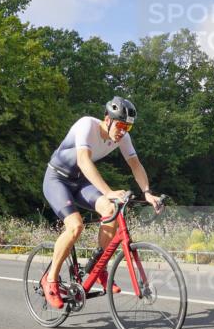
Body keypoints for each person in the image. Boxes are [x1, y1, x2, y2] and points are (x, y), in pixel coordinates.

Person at [40, 96, 161, 309]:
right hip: (57, 179)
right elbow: (83, 161)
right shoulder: (86, 125)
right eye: (120, 125)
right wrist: (108, 191)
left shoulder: (123, 137)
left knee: (111, 210)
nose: (123, 131)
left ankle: (98, 268)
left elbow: (135, 165)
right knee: (75, 226)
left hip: (79, 182)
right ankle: (50, 280)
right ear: (107, 119)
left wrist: (147, 192)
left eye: (128, 127)